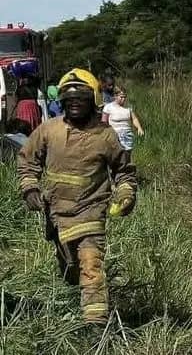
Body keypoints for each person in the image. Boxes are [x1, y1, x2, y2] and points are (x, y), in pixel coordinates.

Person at [17, 68, 137, 324]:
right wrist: (30, 188)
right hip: (57, 216)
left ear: (92, 100)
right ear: (61, 101)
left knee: (91, 266)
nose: (74, 104)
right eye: (69, 100)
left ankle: (95, 326)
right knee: (70, 269)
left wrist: (126, 194)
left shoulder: (105, 135)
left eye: (80, 99)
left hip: (91, 211)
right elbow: (27, 161)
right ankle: (72, 310)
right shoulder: (49, 130)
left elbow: (124, 172)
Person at [102, 87, 145, 152]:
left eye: (125, 97)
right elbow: (104, 121)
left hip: (127, 136)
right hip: (114, 136)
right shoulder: (108, 107)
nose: (123, 99)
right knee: (116, 155)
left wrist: (139, 128)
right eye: (121, 97)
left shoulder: (128, 108)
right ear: (115, 96)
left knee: (127, 155)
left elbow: (134, 119)